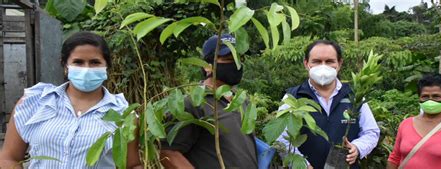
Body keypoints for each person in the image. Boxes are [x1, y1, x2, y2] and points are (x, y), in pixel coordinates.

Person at [0, 31, 141, 168]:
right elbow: (8, 158)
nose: (86, 69)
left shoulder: (123, 113)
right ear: (65, 66)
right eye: (78, 62)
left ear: (107, 66)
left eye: (95, 62)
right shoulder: (34, 103)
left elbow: (132, 165)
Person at [160, 34, 258, 169]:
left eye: (240, 58)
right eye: (229, 58)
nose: (237, 64)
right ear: (207, 66)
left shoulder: (242, 101)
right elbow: (168, 152)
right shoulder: (193, 104)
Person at [278, 40, 380, 169]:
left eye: (329, 61)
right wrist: (302, 165)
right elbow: (280, 138)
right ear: (306, 64)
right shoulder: (293, 97)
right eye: (316, 61)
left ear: (339, 63)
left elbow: (371, 131)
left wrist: (358, 147)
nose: (323, 66)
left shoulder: (354, 95)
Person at [387, 73, 441, 169]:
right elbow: (394, 158)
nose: (430, 101)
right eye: (425, 96)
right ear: (419, 98)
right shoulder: (405, 124)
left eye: (436, 96)